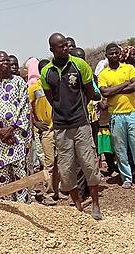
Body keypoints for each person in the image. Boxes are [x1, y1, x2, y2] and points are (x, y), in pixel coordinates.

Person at [40, 33, 103, 220]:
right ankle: (76, 206)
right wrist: (62, 111)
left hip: (81, 123)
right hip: (60, 127)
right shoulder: (46, 72)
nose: (65, 48)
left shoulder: (80, 65)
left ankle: (95, 204)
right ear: (52, 49)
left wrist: (76, 108)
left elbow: (90, 92)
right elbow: (51, 99)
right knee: (66, 170)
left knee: (89, 165)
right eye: (60, 46)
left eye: (66, 45)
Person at [97, 43, 135, 187]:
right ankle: (127, 178)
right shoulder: (103, 74)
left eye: (116, 53)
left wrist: (114, 90)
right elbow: (104, 92)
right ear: (106, 56)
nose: (114, 56)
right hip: (115, 115)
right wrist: (125, 85)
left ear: (120, 54)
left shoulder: (129, 68)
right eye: (111, 54)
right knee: (120, 149)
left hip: (132, 113)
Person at [0, 51, 33, 203]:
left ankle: (24, 207)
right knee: (2, 175)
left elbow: (24, 107)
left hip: (17, 137)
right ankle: (10, 207)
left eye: (7, 61)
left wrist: (11, 129)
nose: (5, 63)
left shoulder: (19, 82)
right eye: (1, 61)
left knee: (20, 173)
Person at [29, 57, 61, 199]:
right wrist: (35, 122)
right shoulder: (34, 87)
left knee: (60, 161)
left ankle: (59, 190)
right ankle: (49, 193)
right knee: (49, 163)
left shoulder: (56, 84)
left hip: (60, 128)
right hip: (46, 130)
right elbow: (27, 107)